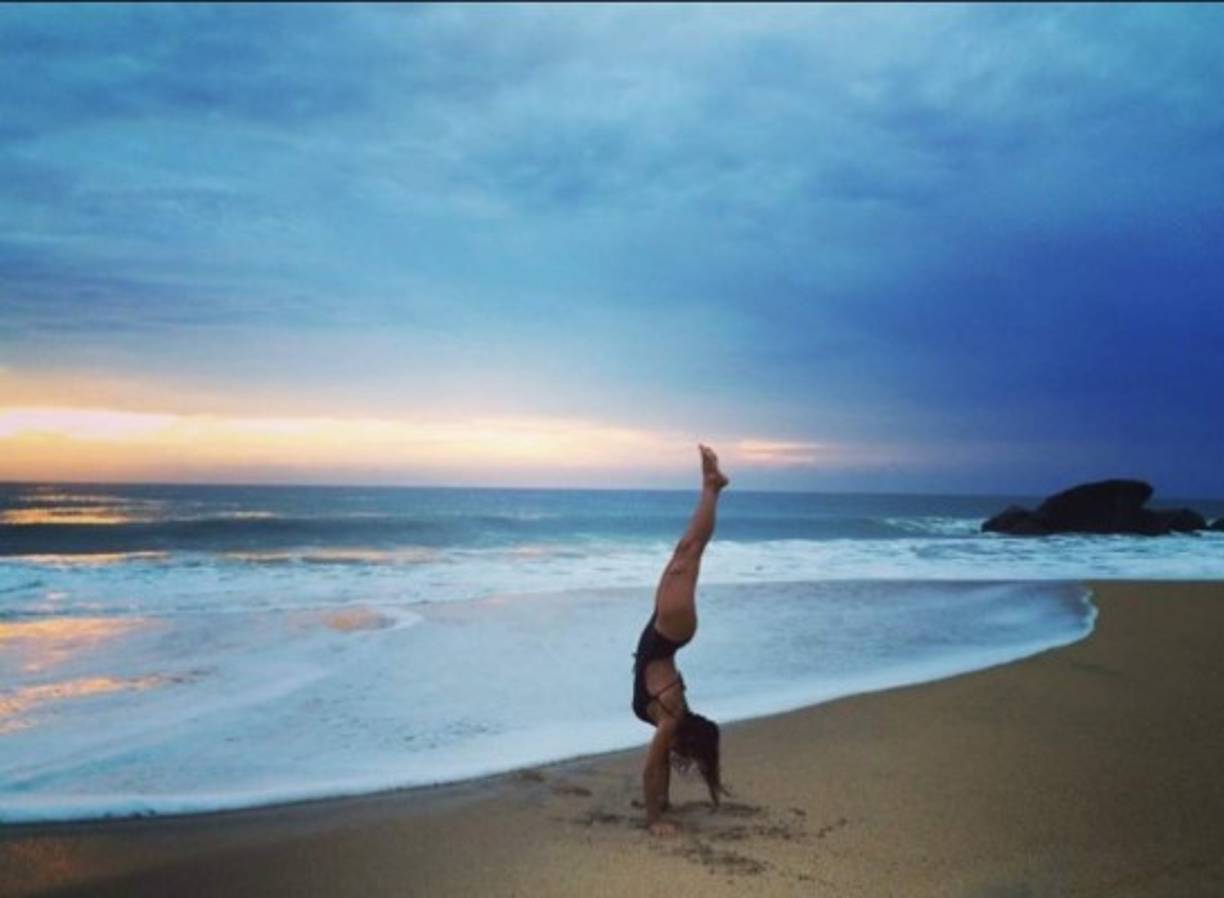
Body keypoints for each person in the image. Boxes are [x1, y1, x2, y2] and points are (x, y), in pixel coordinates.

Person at [633, 443, 729, 835]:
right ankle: (712, 487)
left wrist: (657, 818)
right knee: (688, 553)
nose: (675, 756)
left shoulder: (670, 719)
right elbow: (658, 763)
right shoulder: (671, 716)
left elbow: (652, 767)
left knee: (686, 553)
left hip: (664, 632)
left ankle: (712, 487)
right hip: (669, 633)